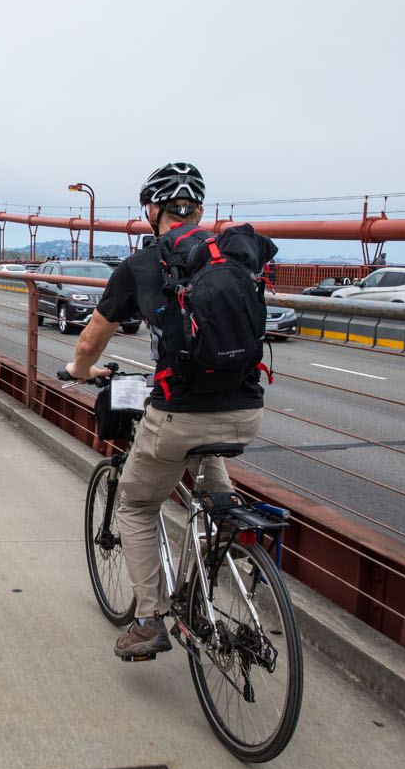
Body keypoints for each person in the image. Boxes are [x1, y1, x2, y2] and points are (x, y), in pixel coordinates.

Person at [64, 162, 275, 660]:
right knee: (212, 491)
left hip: (179, 413)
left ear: (151, 211)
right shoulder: (234, 256)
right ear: (199, 210)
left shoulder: (141, 265)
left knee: (137, 505)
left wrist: (78, 370)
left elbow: (94, 338)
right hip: (246, 409)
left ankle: (148, 619)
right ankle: (214, 561)